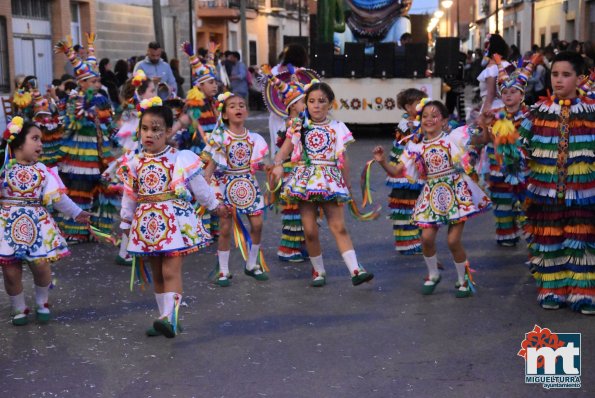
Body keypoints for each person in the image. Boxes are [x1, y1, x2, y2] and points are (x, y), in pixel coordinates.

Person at [118, 98, 228, 337]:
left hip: (175, 223)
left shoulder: (181, 158)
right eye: (145, 129)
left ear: (168, 131)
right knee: (157, 273)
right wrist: (125, 221)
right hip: (147, 224)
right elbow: (130, 194)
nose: (149, 134)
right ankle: (165, 316)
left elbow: (199, 186)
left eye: (156, 129)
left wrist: (214, 205)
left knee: (170, 271)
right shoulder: (135, 162)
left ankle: (170, 317)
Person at [373, 101, 491, 297]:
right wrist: (382, 161)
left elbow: (483, 140)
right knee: (426, 239)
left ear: (444, 121)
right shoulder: (415, 146)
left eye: (434, 115)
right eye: (425, 116)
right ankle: (433, 274)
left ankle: (464, 279)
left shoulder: (454, 138)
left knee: (453, 241)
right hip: (432, 195)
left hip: (456, 193)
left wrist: (485, 125)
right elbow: (396, 171)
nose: (428, 119)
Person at [272, 82, 374, 287]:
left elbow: (342, 159)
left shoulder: (338, 127)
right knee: (309, 230)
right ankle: (318, 270)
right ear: (306, 104)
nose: (316, 105)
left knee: (339, 226)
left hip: (330, 181)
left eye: (322, 101)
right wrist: (278, 165)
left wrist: (347, 184)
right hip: (305, 181)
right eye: (311, 101)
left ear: (330, 104)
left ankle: (356, 270)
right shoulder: (297, 126)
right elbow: (284, 151)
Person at [518, 51, 595, 314]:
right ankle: (552, 289)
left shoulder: (591, 112)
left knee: (581, 242)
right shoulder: (537, 112)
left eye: (566, 75)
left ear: (580, 78)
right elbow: (520, 147)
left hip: (583, 194)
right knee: (548, 242)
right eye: (554, 74)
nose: (559, 80)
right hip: (544, 193)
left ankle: (583, 293)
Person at [0, 118, 91, 325]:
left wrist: (77, 213)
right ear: (17, 143)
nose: (40, 144)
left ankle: (43, 302)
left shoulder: (43, 170)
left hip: (37, 227)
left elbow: (57, 198)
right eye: (35, 139)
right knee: (10, 271)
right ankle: (19, 307)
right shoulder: (3, 169)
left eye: (41, 139)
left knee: (41, 267)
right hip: (6, 227)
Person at [54, 33, 116, 242]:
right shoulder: (74, 99)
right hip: (79, 154)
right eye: (92, 81)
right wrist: (83, 110)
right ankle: (76, 230)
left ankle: (96, 228)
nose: (96, 84)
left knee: (100, 188)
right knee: (78, 188)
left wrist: (114, 132)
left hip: (100, 151)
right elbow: (70, 122)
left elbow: (109, 121)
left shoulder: (100, 99)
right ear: (82, 83)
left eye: (97, 80)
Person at [204, 93, 269, 286]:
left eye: (242, 105)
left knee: (257, 224)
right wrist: (206, 182)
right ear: (224, 114)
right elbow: (212, 164)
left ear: (247, 112)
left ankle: (251, 264)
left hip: (248, 184)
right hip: (225, 184)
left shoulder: (254, 138)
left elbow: (258, 164)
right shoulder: (220, 137)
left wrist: (272, 168)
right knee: (225, 228)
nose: (238, 108)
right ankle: (223, 270)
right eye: (232, 106)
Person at [482, 53, 540, 247]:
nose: (508, 95)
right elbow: (488, 140)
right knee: (503, 202)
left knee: (527, 206)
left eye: (513, 92)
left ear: (521, 95)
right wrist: (485, 126)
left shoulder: (531, 116)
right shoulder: (496, 116)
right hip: (500, 170)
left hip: (524, 171)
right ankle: (507, 233)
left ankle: (533, 240)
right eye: (504, 92)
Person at [103, 69, 157, 266]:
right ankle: (128, 250)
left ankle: (128, 249)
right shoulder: (137, 111)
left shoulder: (136, 112)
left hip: (135, 163)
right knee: (134, 208)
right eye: (151, 91)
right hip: (136, 165)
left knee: (133, 208)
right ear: (140, 94)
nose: (154, 94)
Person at [260, 65, 308, 262]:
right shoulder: (292, 124)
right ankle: (287, 249)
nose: (308, 104)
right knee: (293, 211)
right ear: (293, 106)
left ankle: (300, 244)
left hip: (304, 171)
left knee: (305, 210)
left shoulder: (304, 121)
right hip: (291, 171)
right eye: (304, 101)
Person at [377, 88, 427, 255]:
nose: (423, 106)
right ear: (407, 107)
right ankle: (406, 243)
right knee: (405, 206)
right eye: (418, 103)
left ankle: (416, 240)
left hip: (417, 169)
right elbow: (416, 139)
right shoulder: (407, 124)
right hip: (406, 169)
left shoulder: (419, 122)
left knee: (417, 205)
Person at [478, 34, 510, 114]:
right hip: (507, 107)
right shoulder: (507, 65)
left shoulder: (491, 68)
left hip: (493, 108)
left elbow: (491, 94)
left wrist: (482, 115)